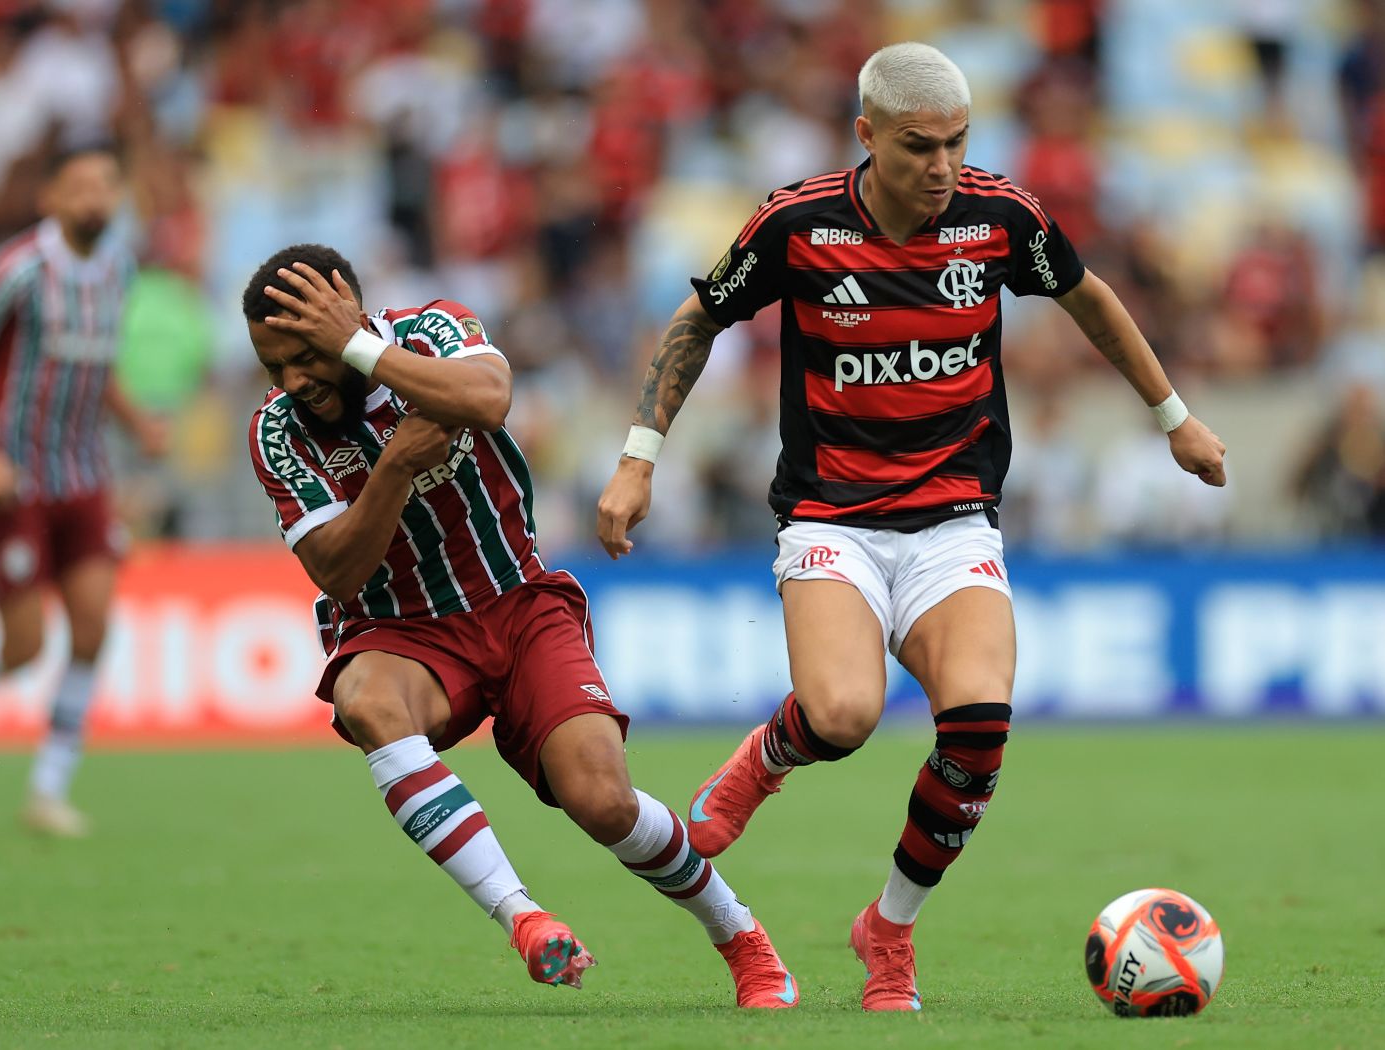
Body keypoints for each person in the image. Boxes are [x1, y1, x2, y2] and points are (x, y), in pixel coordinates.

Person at [596, 42, 1228, 1013]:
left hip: (953, 523)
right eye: (917, 146)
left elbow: (1088, 298)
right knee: (843, 717)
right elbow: (696, 320)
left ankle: (888, 930)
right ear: (867, 136)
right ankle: (768, 758)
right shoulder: (798, 224)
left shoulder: (998, 217)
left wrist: (1173, 418)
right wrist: (639, 457)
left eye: (955, 144)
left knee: (978, 728)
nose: (940, 166)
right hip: (832, 519)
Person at [241, 243, 796, 1005]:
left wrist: (362, 354)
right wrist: (397, 466)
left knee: (603, 801)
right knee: (365, 699)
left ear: (350, 316)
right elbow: (336, 571)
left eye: (305, 354)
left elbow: (489, 399)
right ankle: (524, 918)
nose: (292, 380)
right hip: (405, 632)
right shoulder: (278, 430)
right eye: (273, 364)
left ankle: (740, 936)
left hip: (517, 600)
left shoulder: (430, 332)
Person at [0, 144, 167, 836]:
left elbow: (97, 362)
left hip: (83, 478)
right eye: (78, 186)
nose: (93, 199)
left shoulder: (120, 267)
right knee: (24, 644)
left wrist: (137, 421)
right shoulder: (16, 270)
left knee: (92, 624)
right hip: (13, 481)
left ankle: (48, 788)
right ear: (49, 198)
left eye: (105, 184)